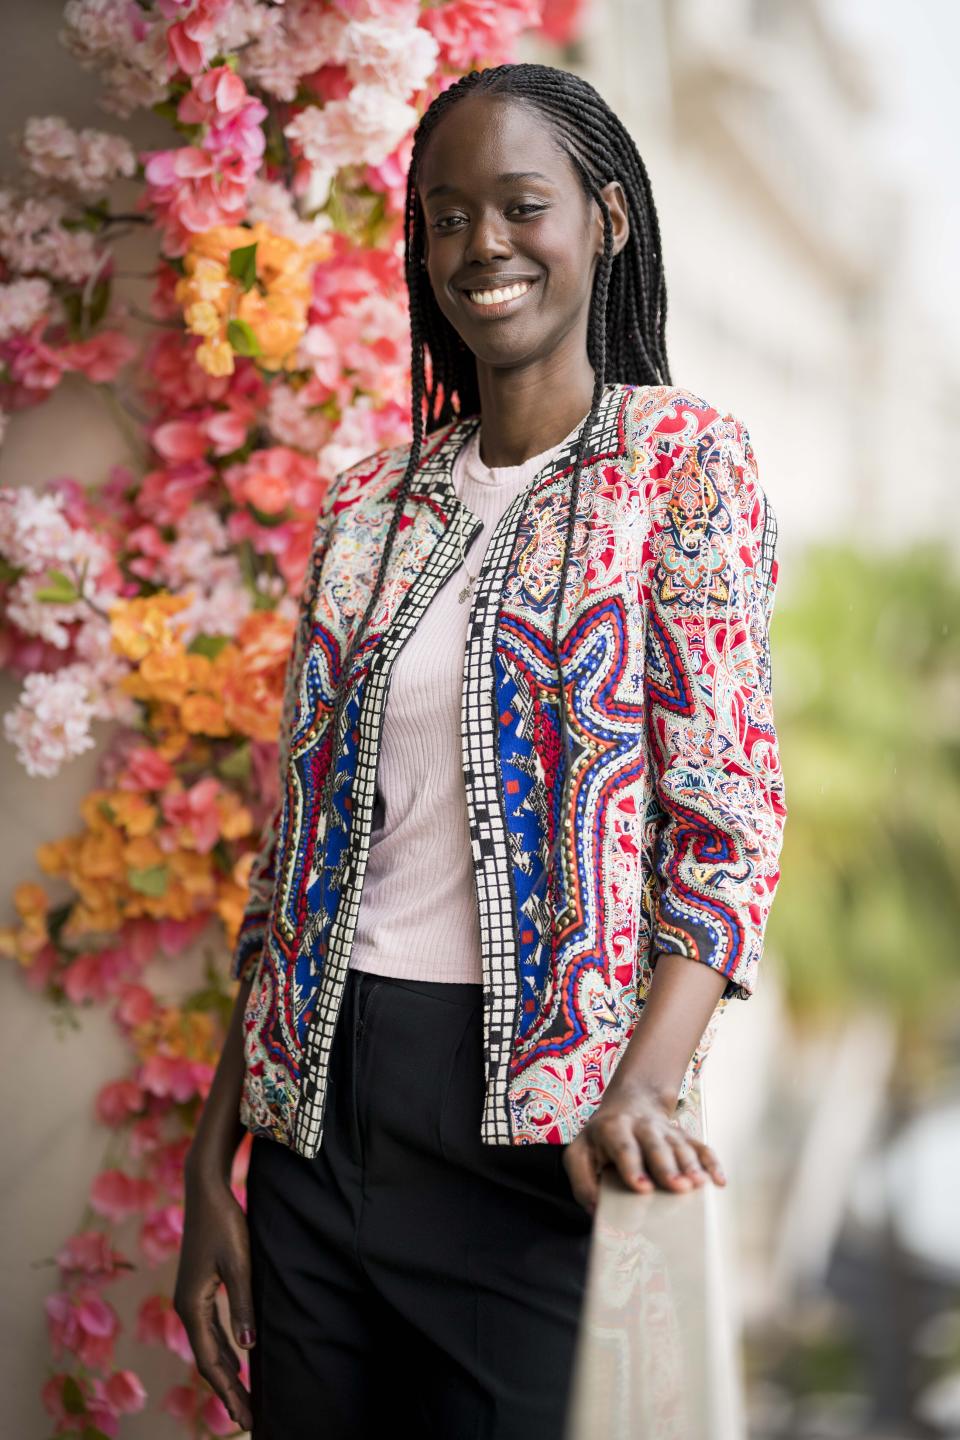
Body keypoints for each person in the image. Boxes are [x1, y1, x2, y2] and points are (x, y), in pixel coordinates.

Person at [174, 61, 787, 1440]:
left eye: (523, 205)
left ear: (606, 219)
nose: (483, 247)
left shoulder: (683, 464)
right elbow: (303, 864)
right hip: (318, 1127)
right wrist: (217, 1166)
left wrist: (638, 1088)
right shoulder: (367, 504)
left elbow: (729, 823)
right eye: (447, 217)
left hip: (540, 1141)